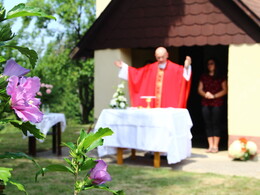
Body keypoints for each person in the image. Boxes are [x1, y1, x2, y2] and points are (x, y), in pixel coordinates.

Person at [114, 47, 192, 108]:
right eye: (158, 57)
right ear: (155, 56)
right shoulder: (150, 68)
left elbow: (185, 77)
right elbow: (137, 74)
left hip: (169, 106)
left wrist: (187, 67)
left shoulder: (175, 69)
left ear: (167, 55)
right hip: (153, 107)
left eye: (162, 57)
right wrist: (124, 67)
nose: (161, 59)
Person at [198, 57, 227, 153]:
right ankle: (210, 146)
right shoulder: (204, 76)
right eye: (208, 64)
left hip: (217, 102)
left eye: (212, 63)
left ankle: (216, 146)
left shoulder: (221, 76)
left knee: (216, 123)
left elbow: (225, 90)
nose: (210, 66)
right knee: (208, 123)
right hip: (206, 102)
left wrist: (214, 96)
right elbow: (200, 89)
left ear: (216, 65)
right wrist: (205, 94)